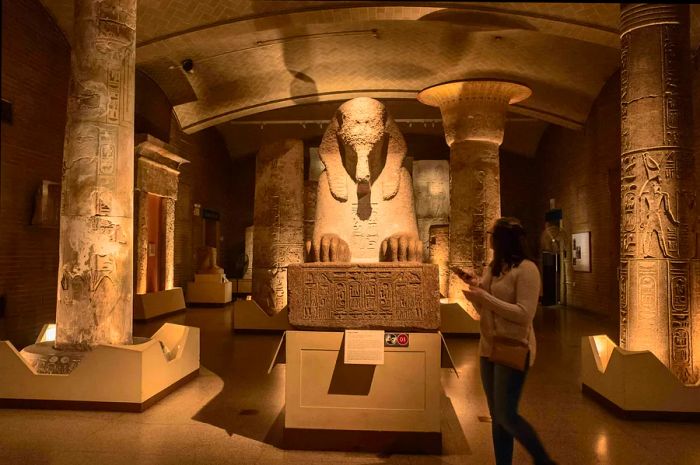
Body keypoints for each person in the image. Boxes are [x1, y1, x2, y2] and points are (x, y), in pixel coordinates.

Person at [456, 217, 556, 465]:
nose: (488, 237)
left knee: (506, 415)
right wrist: (475, 289)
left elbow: (524, 314)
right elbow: (488, 305)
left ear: (502, 239)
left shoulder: (527, 270)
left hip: (513, 346)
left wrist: (485, 297)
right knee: (496, 416)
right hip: (489, 346)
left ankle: (543, 459)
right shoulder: (495, 267)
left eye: (492, 233)